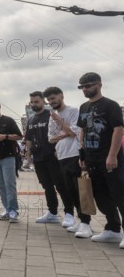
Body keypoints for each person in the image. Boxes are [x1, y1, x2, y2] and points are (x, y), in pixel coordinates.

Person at [76, 72, 124, 246]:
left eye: (88, 85)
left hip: (109, 158)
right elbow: (82, 131)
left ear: (99, 84)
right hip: (91, 158)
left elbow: (118, 129)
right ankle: (113, 228)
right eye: (82, 86)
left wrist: (112, 155)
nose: (85, 89)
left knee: (119, 193)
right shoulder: (83, 107)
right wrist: (82, 153)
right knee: (101, 195)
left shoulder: (110, 105)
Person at [44, 86, 93, 238]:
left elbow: (73, 132)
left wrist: (59, 121)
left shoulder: (73, 111)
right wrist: (63, 133)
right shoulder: (51, 117)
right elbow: (50, 139)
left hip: (75, 155)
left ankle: (86, 223)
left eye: (53, 98)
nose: (51, 102)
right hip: (62, 156)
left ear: (61, 96)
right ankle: (80, 220)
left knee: (82, 190)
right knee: (70, 191)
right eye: (49, 100)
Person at [26, 91, 73, 224]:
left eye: (37, 101)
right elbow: (29, 138)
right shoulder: (31, 120)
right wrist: (28, 154)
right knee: (47, 186)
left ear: (43, 102)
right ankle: (52, 213)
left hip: (53, 157)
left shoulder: (51, 115)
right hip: (39, 158)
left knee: (61, 185)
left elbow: (62, 132)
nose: (34, 104)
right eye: (32, 102)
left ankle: (69, 213)